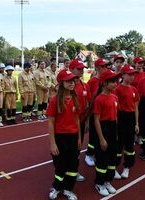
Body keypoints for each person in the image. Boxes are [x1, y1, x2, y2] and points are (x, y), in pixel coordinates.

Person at [47, 69, 81, 200]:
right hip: (60, 138)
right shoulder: (55, 100)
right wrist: (52, 143)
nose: (72, 83)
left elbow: (77, 119)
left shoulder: (75, 98)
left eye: (73, 80)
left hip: (73, 137)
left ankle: (68, 189)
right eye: (68, 81)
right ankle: (57, 187)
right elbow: (51, 122)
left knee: (73, 165)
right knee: (60, 165)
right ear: (61, 83)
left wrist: (78, 138)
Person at [93, 69, 120, 196]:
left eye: (116, 81)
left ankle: (108, 180)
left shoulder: (114, 97)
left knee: (112, 157)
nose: (116, 84)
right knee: (102, 159)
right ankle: (99, 182)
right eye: (112, 82)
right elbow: (96, 120)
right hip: (103, 129)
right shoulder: (99, 99)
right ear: (104, 83)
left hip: (112, 128)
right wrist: (102, 139)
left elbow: (115, 116)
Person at [115, 65, 140, 179]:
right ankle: (114, 167)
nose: (132, 77)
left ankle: (127, 167)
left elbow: (135, 107)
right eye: (129, 74)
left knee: (130, 144)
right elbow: (114, 107)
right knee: (118, 144)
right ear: (123, 75)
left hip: (130, 118)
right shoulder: (117, 89)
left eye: (133, 75)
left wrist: (136, 123)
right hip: (120, 117)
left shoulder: (134, 89)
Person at [69, 59, 92, 182]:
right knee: (69, 148)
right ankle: (67, 170)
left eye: (82, 69)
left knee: (78, 146)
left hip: (81, 121)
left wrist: (87, 121)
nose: (81, 71)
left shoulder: (85, 85)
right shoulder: (67, 86)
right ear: (71, 69)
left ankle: (73, 170)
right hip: (69, 123)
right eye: (79, 69)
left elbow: (88, 104)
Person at [85, 58, 108, 167]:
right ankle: (89, 154)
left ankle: (98, 152)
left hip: (106, 112)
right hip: (94, 112)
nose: (104, 68)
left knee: (102, 134)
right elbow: (89, 99)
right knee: (93, 134)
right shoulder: (92, 81)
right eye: (102, 66)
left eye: (105, 66)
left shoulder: (107, 81)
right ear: (97, 67)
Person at [131, 56, 145, 145]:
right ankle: (132, 135)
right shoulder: (131, 73)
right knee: (132, 118)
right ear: (135, 63)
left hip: (142, 100)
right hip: (131, 99)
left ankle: (139, 135)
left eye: (142, 63)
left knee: (141, 118)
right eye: (138, 63)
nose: (140, 65)